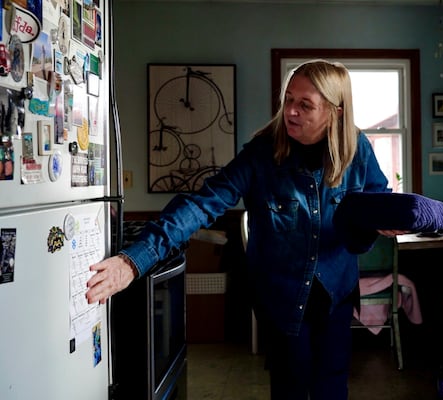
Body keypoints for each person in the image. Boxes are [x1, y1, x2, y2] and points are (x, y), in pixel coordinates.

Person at [86, 59, 403, 400]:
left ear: (335, 113)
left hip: (336, 295)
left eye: (305, 105)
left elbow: (377, 200)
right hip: (282, 299)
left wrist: (389, 218)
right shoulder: (261, 153)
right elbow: (201, 204)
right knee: (290, 387)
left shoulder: (358, 149)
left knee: (332, 386)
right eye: (289, 99)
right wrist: (134, 260)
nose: (291, 111)